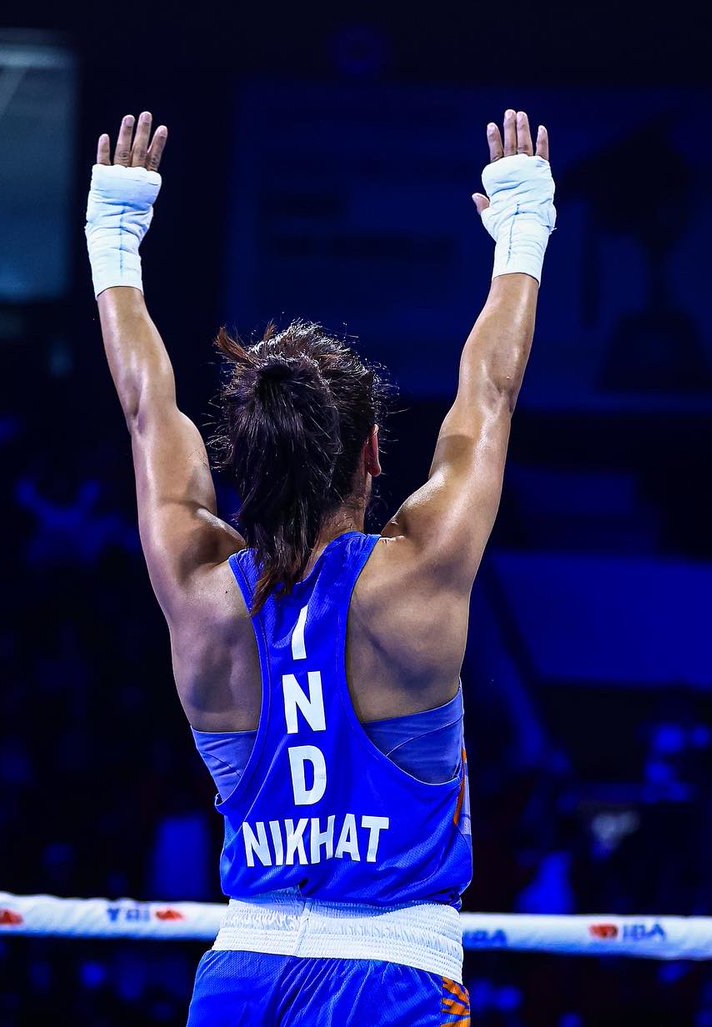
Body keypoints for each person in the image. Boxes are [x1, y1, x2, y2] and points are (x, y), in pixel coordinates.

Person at [84, 107, 556, 1025]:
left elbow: (148, 414)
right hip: (394, 978)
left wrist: (115, 241)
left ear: (242, 463)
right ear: (375, 454)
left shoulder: (196, 590)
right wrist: (522, 225)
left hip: (240, 976)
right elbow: (488, 394)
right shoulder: (420, 577)